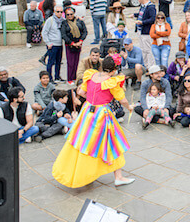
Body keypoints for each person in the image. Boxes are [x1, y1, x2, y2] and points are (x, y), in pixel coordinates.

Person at [52, 57, 135, 188]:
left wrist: (92, 99)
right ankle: (117, 177)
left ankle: (84, 174)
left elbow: (81, 92)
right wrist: (129, 107)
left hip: (87, 111)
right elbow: (122, 99)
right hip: (102, 114)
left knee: (83, 141)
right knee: (112, 143)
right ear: (114, 70)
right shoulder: (111, 81)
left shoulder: (91, 75)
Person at [61, 7, 87, 84]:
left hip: (78, 43)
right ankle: (70, 78)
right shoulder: (64, 23)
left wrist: (80, 41)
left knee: (76, 62)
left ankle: (75, 77)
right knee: (70, 62)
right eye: (67, 14)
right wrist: (72, 43)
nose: (69, 16)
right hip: (69, 44)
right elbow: (63, 34)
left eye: (71, 14)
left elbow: (84, 31)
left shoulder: (79, 21)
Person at [41, 6, 64, 82]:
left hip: (60, 44)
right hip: (52, 44)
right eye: (58, 12)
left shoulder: (62, 21)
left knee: (58, 61)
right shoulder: (50, 20)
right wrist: (48, 43)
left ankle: (57, 76)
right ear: (54, 12)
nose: (59, 13)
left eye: (61, 12)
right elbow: (44, 32)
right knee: (50, 62)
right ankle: (49, 78)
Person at [135, 0, 157, 68]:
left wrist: (142, 22)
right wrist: (135, 15)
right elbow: (143, 14)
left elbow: (152, 19)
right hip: (140, 31)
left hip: (147, 31)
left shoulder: (151, 7)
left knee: (148, 50)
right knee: (143, 50)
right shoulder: (142, 6)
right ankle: (145, 65)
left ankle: (151, 66)